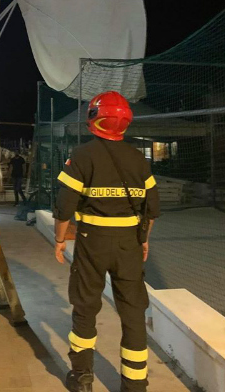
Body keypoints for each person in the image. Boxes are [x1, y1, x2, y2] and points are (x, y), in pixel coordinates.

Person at [53, 91, 159, 392]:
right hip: (129, 244)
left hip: (92, 243)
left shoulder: (82, 156)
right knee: (133, 312)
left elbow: (64, 207)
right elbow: (151, 209)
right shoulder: (138, 159)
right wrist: (143, 240)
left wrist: (60, 240)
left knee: (85, 307)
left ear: (94, 118)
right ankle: (135, 384)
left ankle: (82, 378)